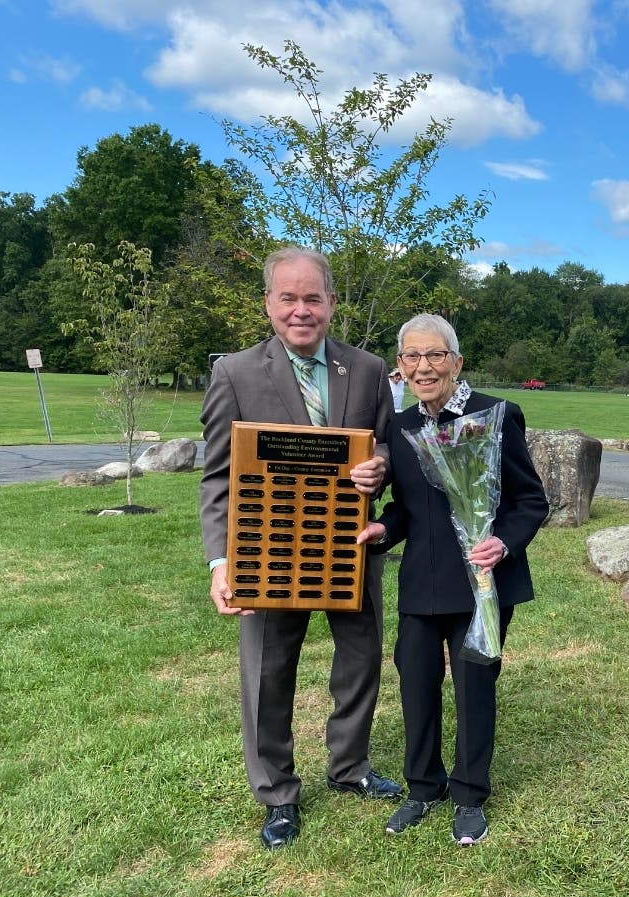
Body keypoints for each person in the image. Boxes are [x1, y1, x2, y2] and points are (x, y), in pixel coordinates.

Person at [200, 246, 402, 852]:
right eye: (287, 297)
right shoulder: (234, 373)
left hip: (348, 547)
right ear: (268, 303)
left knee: (360, 661)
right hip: (268, 548)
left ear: (332, 304)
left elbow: (387, 450)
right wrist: (220, 561)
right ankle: (277, 793)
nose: (301, 310)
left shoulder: (366, 371)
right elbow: (216, 477)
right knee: (267, 671)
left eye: (312, 297)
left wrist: (379, 471)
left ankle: (349, 766)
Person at [357, 313, 548, 846]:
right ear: (400, 367)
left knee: (473, 690)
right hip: (421, 582)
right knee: (416, 686)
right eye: (412, 357)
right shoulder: (400, 427)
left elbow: (531, 500)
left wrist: (504, 542)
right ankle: (423, 787)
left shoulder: (497, 414)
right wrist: (381, 528)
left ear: (456, 362)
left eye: (435, 355)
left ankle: (469, 794)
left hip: (481, 585)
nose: (424, 366)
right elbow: (407, 508)